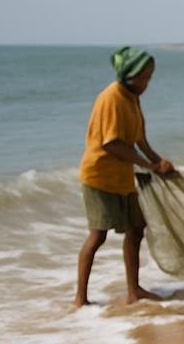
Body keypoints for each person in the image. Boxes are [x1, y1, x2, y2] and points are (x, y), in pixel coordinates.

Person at [74, 46, 175, 307]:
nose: (145, 83)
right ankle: (80, 299)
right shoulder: (112, 98)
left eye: (148, 78)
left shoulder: (132, 98)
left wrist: (158, 161)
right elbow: (112, 144)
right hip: (100, 177)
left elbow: (139, 139)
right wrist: (146, 166)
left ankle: (134, 291)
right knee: (98, 236)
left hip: (121, 177)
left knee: (137, 228)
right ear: (127, 75)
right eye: (141, 78)